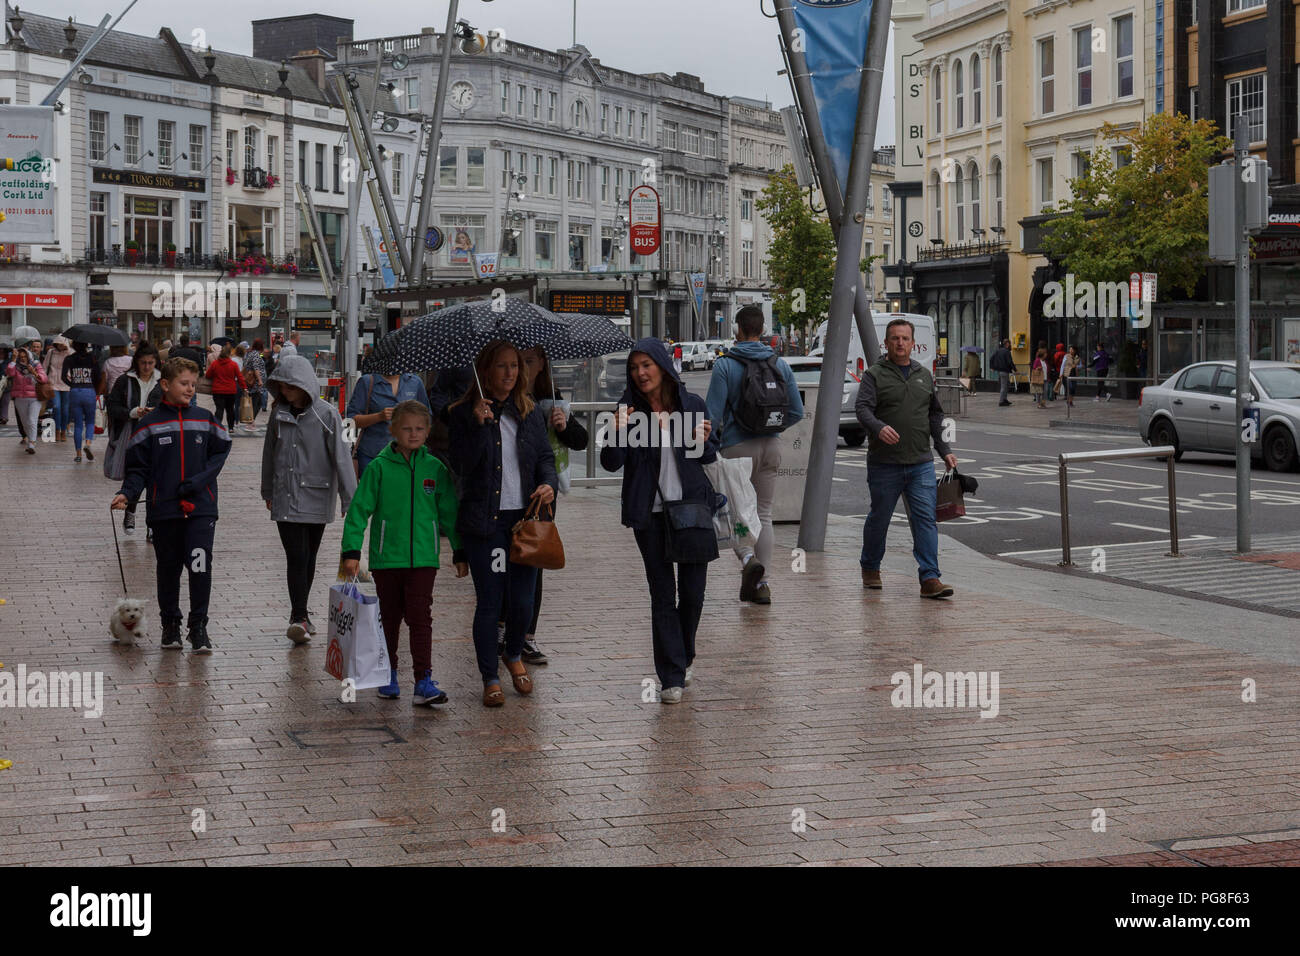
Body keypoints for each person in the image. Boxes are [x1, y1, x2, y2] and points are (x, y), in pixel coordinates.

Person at [600, 338, 719, 704]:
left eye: (646, 365)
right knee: (663, 594)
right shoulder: (628, 410)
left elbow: (708, 455)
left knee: (694, 595)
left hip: (691, 511)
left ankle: (684, 654)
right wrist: (616, 430)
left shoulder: (691, 405)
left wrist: (706, 439)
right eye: (635, 368)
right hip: (649, 515)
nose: (640, 373)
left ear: (663, 366)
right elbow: (611, 462)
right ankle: (671, 676)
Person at [448, 341, 556, 708]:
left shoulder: (529, 411)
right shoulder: (463, 412)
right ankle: (489, 676)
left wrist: (549, 484)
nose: (509, 373)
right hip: (485, 523)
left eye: (515, 366)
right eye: (501, 366)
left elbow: (544, 457)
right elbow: (461, 466)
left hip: (523, 521)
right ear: (485, 371)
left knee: (523, 602)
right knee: (491, 601)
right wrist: (479, 424)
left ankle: (513, 654)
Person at [341, 401, 465, 704]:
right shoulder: (378, 468)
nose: (413, 434)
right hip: (387, 559)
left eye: (420, 428)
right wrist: (351, 552)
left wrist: (460, 551)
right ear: (393, 430)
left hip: (424, 559)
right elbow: (359, 511)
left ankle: (424, 680)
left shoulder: (435, 469)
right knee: (391, 617)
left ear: (428, 431)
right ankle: (389, 673)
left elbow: (449, 513)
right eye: (407, 428)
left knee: (421, 617)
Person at [112, 357, 232, 653]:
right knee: (168, 570)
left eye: (193, 384)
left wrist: (198, 482)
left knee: (200, 566)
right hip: (164, 510)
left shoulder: (205, 419)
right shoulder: (149, 424)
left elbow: (220, 453)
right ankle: (171, 626)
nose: (190, 389)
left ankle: (199, 627)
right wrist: (127, 493)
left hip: (201, 509)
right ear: (165, 385)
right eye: (184, 383)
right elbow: (137, 467)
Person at [704, 304, 804, 604]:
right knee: (764, 514)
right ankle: (763, 584)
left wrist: (715, 441)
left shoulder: (725, 365)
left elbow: (711, 415)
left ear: (738, 328)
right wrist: (771, 425)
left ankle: (748, 559)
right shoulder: (780, 364)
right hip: (770, 446)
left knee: (735, 512)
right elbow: (797, 412)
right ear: (762, 330)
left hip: (736, 448)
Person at [855, 318, 959, 599]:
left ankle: (930, 578)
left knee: (926, 520)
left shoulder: (924, 374)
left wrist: (945, 450)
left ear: (913, 343)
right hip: (884, 463)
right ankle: (870, 567)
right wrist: (878, 427)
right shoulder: (875, 375)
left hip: (920, 463)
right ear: (886, 343)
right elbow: (863, 409)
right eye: (895, 338)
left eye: (905, 338)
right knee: (880, 518)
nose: (900, 343)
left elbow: (935, 415)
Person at [498, 345, 589, 664]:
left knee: (533, 560)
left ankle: (525, 636)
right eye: (515, 361)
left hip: (540, 494)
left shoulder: (550, 394)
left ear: (542, 365)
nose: (520, 367)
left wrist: (564, 425)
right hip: (505, 494)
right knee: (502, 563)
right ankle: (501, 627)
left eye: (529, 361)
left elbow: (580, 440)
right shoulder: (501, 397)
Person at [263, 355, 357, 644]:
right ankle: (299, 615)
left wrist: (349, 500)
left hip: (317, 494)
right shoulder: (278, 413)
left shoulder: (328, 415)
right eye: (281, 387)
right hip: (285, 495)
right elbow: (269, 453)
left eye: (290, 386)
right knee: (297, 555)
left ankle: (302, 614)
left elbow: (342, 458)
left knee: (309, 556)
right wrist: (267, 490)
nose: (286, 392)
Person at [106, 342, 162, 536]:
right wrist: (132, 412)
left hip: (156, 437)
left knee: (157, 481)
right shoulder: (125, 380)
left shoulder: (162, 381)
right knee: (135, 476)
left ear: (156, 362)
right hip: (131, 437)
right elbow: (112, 406)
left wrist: (157, 413)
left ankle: (152, 524)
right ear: (136, 362)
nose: (146, 367)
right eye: (143, 363)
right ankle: (130, 511)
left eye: (150, 363)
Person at [345, 366, 430, 474]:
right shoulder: (367, 381)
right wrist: (379, 416)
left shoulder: (415, 382)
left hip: (407, 456)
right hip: (372, 455)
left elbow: (427, 417)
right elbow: (350, 421)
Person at [62, 340, 102, 463]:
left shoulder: (69, 359)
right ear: (86, 345)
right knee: (90, 421)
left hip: (75, 392)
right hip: (89, 390)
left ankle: (78, 454)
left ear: (74, 346)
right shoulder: (92, 358)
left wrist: (72, 384)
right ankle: (88, 443)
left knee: (78, 424)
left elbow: (63, 377)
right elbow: (98, 376)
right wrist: (94, 387)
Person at [5, 346, 47, 455]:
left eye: (25, 356)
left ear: (29, 356)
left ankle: (32, 443)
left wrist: (34, 372)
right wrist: (13, 360)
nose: (23, 359)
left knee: (31, 420)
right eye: (20, 357)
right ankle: (30, 439)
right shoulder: (16, 366)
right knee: (25, 422)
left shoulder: (36, 364)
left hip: (35, 398)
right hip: (20, 398)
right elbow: (10, 373)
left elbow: (44, 379)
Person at [205, 343, 245, 432]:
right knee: (230, 409)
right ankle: (231, 428)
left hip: (217, 390)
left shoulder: (215, 364)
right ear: (229, 353)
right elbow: (240, 377)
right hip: (230, 390)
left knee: (219, 409)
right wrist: (244, 387)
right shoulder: (233, 364)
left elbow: (208, 375)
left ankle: (217, 427)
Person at [44, 336, 72, 442]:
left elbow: (73, 367)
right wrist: (45, 380)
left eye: (62, 344)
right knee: (56, 407)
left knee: (65, 409)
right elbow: (45, 367)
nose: (61, 346)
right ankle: (57, 431)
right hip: (53, 384)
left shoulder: (70, 353)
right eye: (58, 343)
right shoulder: (51, 352)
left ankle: (63, 431)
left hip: (66, 384)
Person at [243, 338, 268, 422]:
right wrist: (260, 380)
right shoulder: (256, 355)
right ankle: (251, 420)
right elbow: (256, 368)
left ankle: (251, 420)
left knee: (256, 401)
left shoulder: (251, 353)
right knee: (257, 402)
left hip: (255, 383)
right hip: (256, 383)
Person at [990, 338, 1015, 407]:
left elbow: (991, 358)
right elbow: (1010, 362)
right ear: (1007, 344)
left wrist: (992, 367)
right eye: (1009, 343)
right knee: (1004, 386)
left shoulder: (998, 351)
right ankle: (1001, 401)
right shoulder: (1007, 351)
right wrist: (1015, 369)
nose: (1010, 345)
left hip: (1000, 370)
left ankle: (1005, 399)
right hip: (1004, 371)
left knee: (1007, 384)